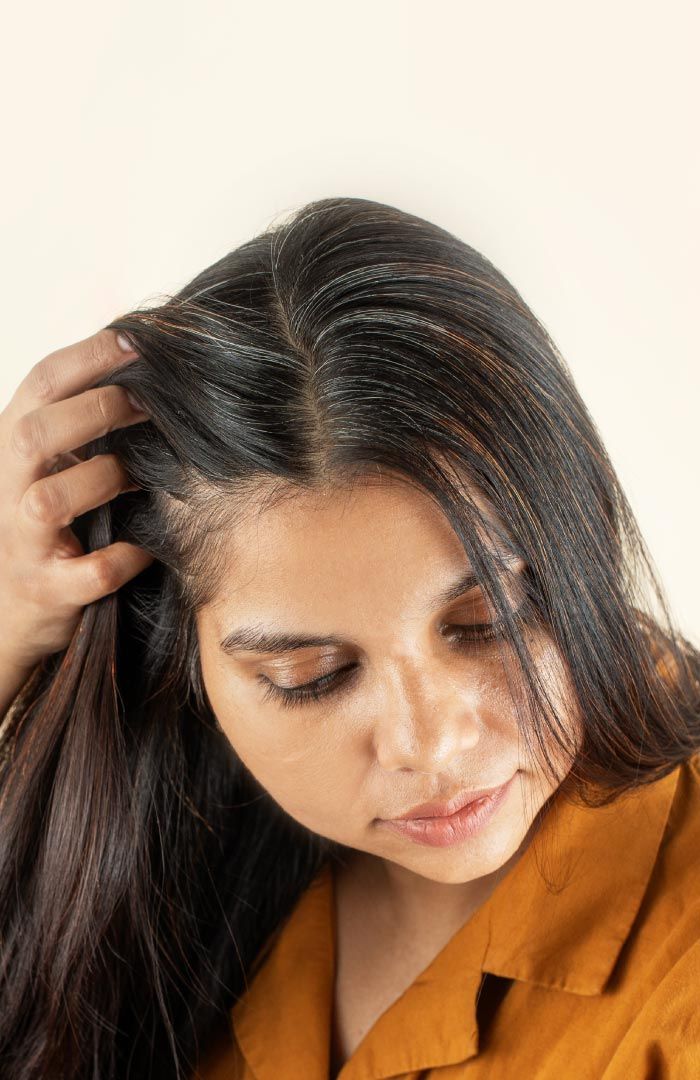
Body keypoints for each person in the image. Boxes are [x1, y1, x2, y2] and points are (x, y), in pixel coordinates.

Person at [0, 196, 697, 1080]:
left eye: (487, 621)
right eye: (312, 675)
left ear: (580, 537)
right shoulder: (173, 868)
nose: (429, 744)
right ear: (189, 662)